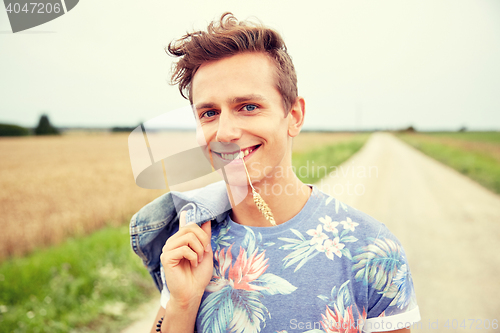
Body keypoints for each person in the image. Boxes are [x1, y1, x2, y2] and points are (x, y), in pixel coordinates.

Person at [130, 12, 420, 333]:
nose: (225, 132)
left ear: (294, 115)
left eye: (248, 107)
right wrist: (183, 303)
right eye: (209, 113)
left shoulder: (373, 250)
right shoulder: (191, 240)